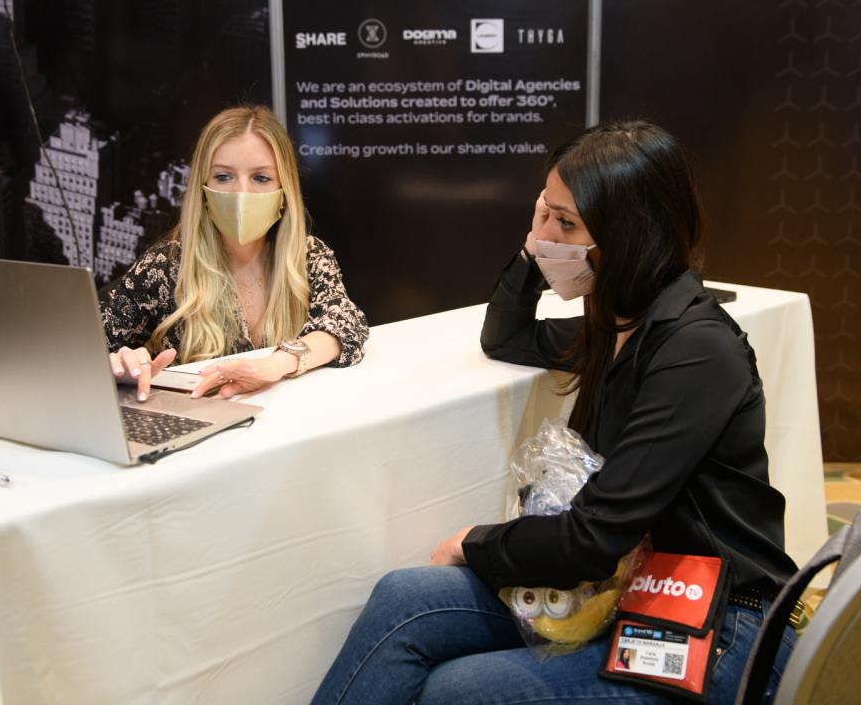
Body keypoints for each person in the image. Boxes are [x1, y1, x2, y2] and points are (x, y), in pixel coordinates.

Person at [311, 121, 798, 705]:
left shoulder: (695, 349)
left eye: (565, 223)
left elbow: (591, 537)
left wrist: (474, 544)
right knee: (403, 601)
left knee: (460, 691)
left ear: (630, 235)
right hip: (617, 588)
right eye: (544, 213)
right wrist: (533, 249)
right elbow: (506, 336)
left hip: (721, 621)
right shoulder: (614, 325)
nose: (546, 236)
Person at [100, 105, 368, 400]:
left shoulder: (308, 256)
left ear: (284, 191)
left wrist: (276, 364)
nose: (242, 192)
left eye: (261, 178)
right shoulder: (165, 265)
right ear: (203, 187)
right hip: (201, 421)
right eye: (224, 177)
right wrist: (122, 365)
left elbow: (345, 325)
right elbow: (85, 345)